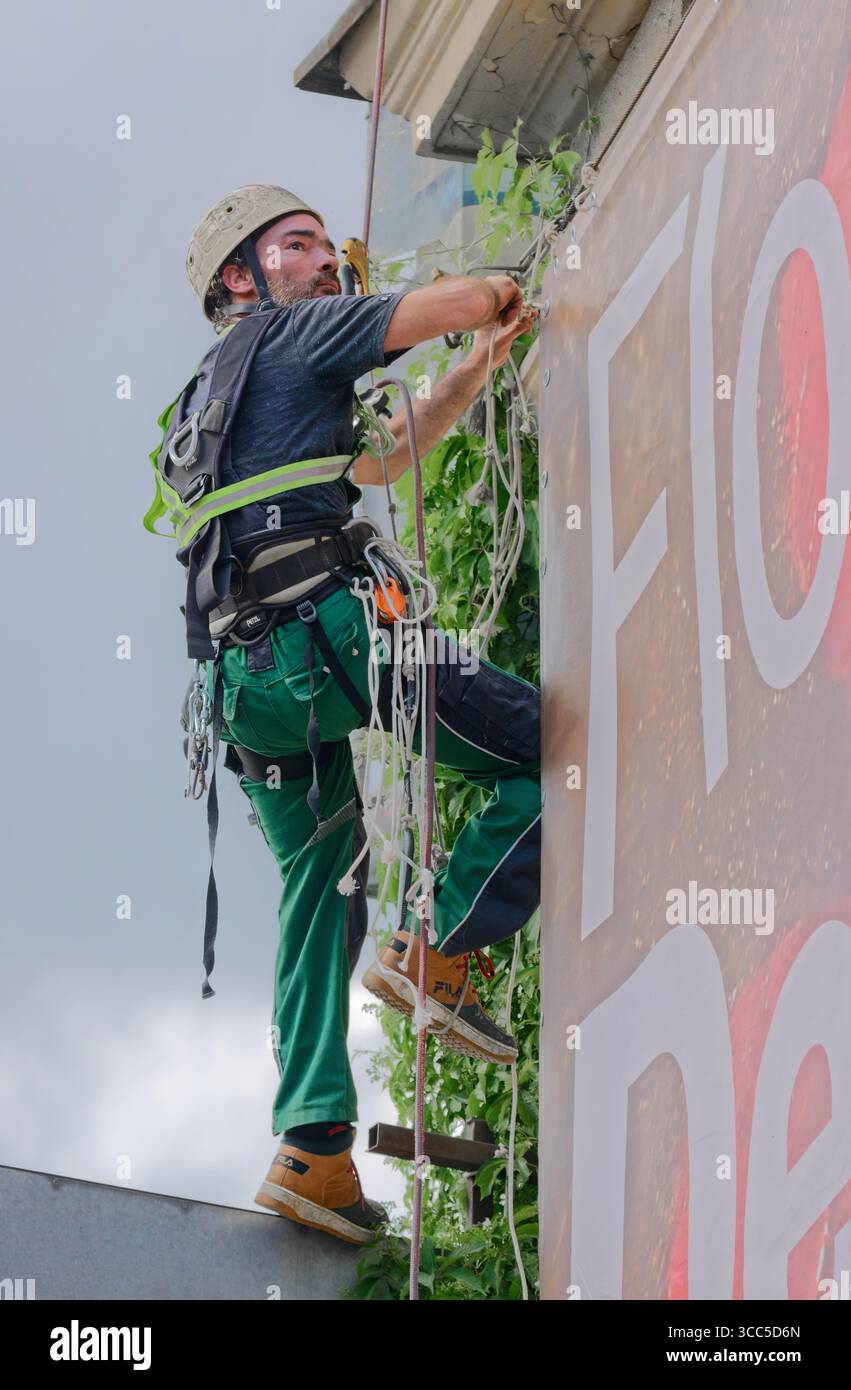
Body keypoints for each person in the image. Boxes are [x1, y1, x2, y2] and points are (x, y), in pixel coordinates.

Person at [157, 185, 541, 1245]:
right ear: (243, 276)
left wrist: (476, 370)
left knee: (322, 885)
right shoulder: (295, 327)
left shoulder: (209, 398)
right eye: (298, 244)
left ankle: (312, 1148)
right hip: (335, 635)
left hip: (243, 693)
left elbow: (374, 460)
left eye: (327, 245)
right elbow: (444, 303)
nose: (326, 258)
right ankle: (444, 951)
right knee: (546, 751)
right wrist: (500, 292)